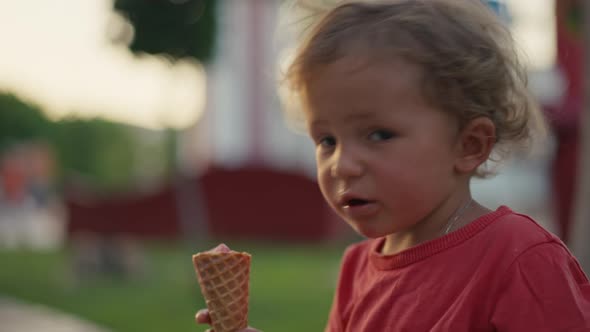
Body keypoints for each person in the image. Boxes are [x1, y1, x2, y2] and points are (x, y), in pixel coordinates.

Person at [196, 0, 590, 331]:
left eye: (379, 135)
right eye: (326, 140)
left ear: (469, 145)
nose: (342, 165)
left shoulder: (518, 256)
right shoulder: (356, 270)